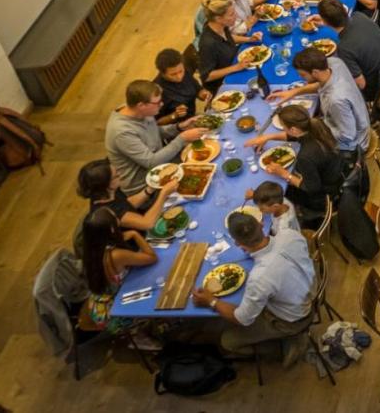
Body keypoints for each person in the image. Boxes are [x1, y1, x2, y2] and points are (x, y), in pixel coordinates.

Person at [192, 212, 315, 358]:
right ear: (262, 225)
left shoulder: (259, 278)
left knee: (227, 341)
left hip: (292, 320)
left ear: (238, 243)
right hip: (309, 293)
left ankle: (283, 347)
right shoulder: (290, 234)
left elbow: (242, 319)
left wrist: (211, 301)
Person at [245, 104, 343, 228]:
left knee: (280, 191)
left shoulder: (305, 156)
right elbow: (294, 137)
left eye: (283, 127)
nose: (283, 130)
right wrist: (268, 137)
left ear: (294, 130)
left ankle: (302, 219)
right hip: (334, 176)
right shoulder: (317, 124)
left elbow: (312, 188)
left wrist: (283, 173)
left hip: (323, 196)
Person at [271, 49, 370, 165]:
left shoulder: (336, 100)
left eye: (303, 75)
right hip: (353, 120)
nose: (302, 78)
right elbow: (321, 84)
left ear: (315, 72)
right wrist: (295, 92)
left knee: (305, 153)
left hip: (353, 145)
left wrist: (317, 130)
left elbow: (347, 135)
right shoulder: (334, 63)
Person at [105, 80, 206, 195]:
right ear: (141, 105)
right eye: (157, 102)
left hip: (164, 166)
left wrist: (179, 127)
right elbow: (151, 162)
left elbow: (155, 132)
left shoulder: (137, 111)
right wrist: (182, 138)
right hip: (146, 186)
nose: (162, 104)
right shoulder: (122, 132)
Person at [77, 209, 156, 333]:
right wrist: (135, 234)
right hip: (113, 313)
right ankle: (140, 335)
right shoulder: (115, 255)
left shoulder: (90, 248)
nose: (118, 217)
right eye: (114, 217)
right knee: (156, 302)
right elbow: (152, 258)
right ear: (111, 229)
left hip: (97, 303)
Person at [318, 0, 380, 102]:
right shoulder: (359, 16)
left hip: (376, 88)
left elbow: (361, 85)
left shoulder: (344, 48)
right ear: (344, 10)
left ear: (325, 22)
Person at [77, 158, 175, 233]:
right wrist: (164, 194)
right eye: (115, 176)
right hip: (137, 246)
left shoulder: (106, 193)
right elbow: (147, 223)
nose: (119, 175)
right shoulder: (109, 212)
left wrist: (150, 189)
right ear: (106, 184)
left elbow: (126, 204)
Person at [152, 48, 207, 126]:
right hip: (175, 128)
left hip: (192, 118)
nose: (179, 76)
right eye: (173, 74)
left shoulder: (184, 70)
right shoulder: (156, 91)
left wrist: (204, 94)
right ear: (162, 73)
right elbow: (157, 123)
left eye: (181, 71)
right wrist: (175, 115)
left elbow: (198, 90)